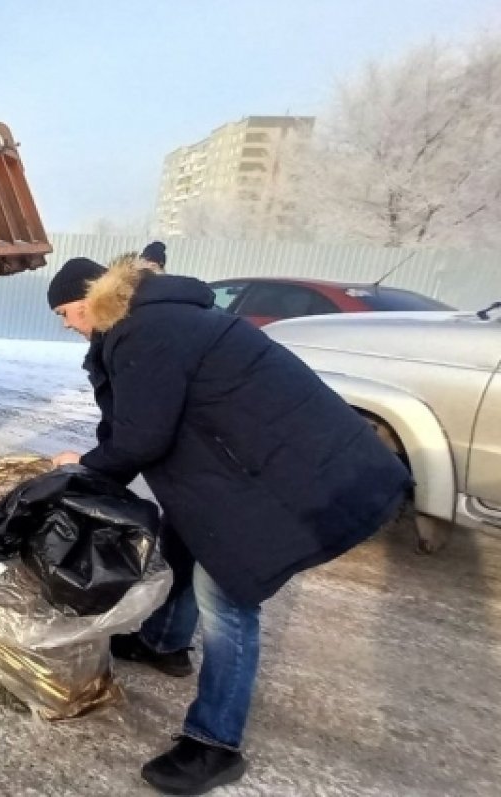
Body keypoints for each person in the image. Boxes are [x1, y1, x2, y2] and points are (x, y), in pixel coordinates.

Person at [45, 253, 410, 794]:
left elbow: (142, 438)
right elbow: (145, 419)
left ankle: (215, 744)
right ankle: (164, 641)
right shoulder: (159, 317)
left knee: (228, 604)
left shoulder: (146, 332)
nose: (70, 328)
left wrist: (82, 469)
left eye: (67, 314)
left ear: (90, 302)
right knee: (186, 533)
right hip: (268, 462)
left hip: (286, 477)